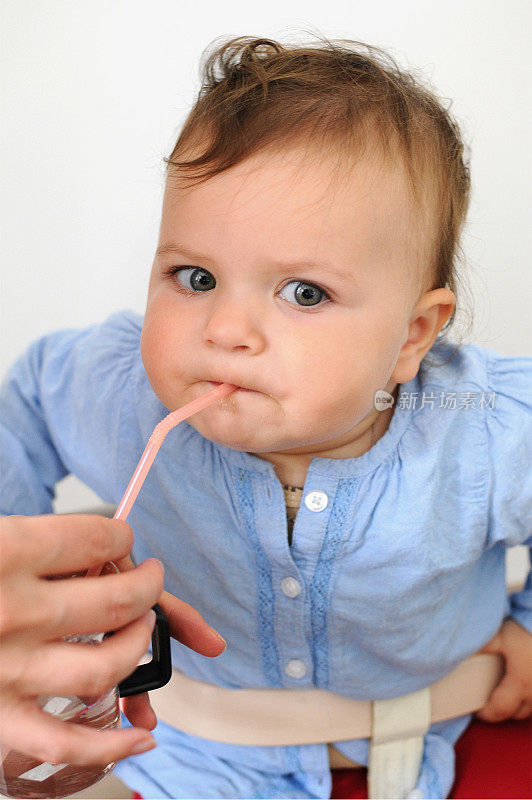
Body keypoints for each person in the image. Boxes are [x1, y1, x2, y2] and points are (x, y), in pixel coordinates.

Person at [1, 33, 531, 800]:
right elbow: (28, 402)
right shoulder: (117, 391)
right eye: (196, 277)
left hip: (426, 743)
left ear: (413, 336)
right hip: (183, 755)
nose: (225, 330)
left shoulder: (486, 427)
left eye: (304, 294)